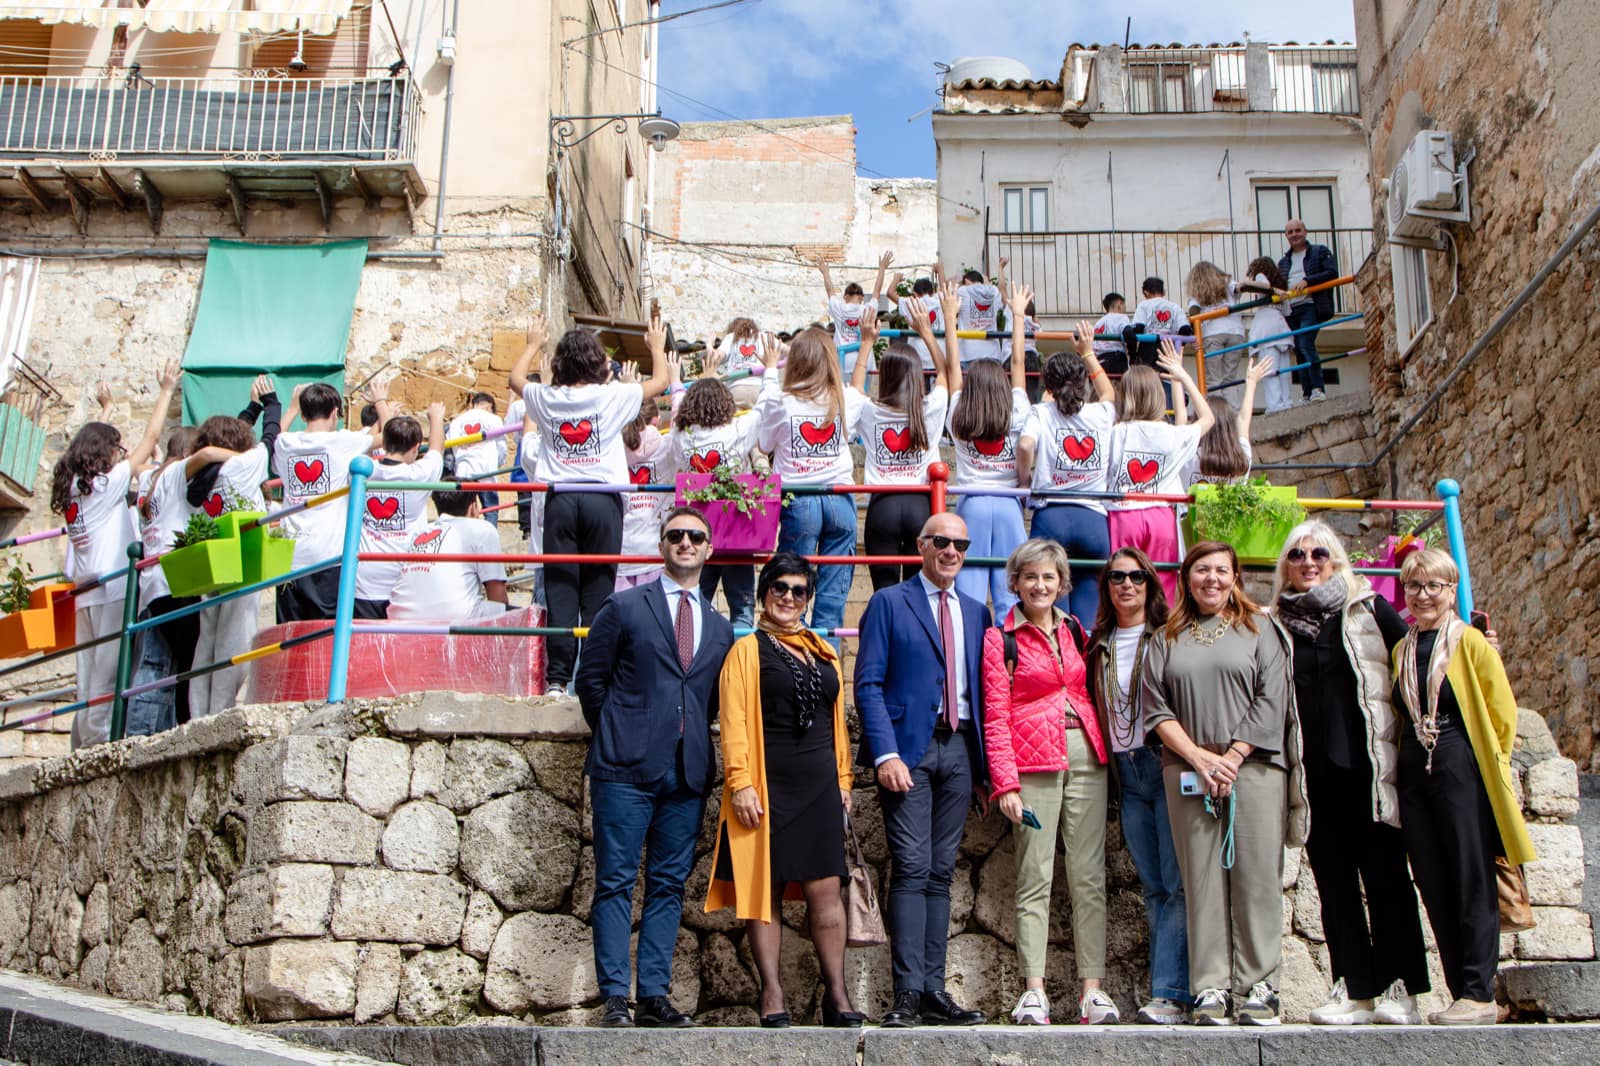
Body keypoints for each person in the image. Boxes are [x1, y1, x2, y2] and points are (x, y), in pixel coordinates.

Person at [575, 507, 734, 1029]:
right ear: (662, 545)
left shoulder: (719, 627)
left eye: (696, 537)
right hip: (624, 769)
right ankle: (616, 996)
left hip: (687, 773)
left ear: (709, 550)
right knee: (616, 880)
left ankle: (654, 997)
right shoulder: (623, 607)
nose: (686, 543)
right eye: (676, 535)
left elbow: (709, 701)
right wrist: (622, 733)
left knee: (668, 885)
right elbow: (592, 683)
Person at [1270, 520, 1430, 1026]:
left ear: (1336, 559)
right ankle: (1353, 989)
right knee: (1333, 882)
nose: (1308, 561)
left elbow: (1416, 661)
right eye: (1297, 554)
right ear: (1285, 566)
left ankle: (1400, 987)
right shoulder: (1275, 624)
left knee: (1386, 877)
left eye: (1319, 552)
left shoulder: (1368, 610)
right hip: (1313, 773)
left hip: (1369, 767)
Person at [1140, 541, 1307, 1026]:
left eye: (1220, 570)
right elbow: (1156, 708)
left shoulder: (1261, 629)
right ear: (1186, 578)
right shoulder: (1166, 638)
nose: (1211, 579)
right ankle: (1210, 988)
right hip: (1187, 769)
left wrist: (1231, 757)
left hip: (1253, 767)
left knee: (1256, 877)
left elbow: (1270, 698)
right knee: (1201, 879)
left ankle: (1260, 986)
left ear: (1235, 576)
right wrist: (1198, 757)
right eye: (1201, 570)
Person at [706, 553, 863, 1029]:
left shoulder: (823, 649)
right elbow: (732, 721)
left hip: (818, 783)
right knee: (764, 892)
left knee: (826, 890)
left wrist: (843, 779)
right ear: (763, 594)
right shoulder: (746, 650)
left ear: (809, 599)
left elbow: (837, 723)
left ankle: (836, 995)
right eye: (780, 588)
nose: (789, 598)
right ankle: (771, 992)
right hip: (766, 783)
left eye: (799, 591)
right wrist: (740, 784)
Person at [854, 512, 992, 1029]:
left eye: (960, 543)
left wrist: (985, 770)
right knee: (911, 866)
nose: (951, 550)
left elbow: (986, 695)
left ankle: (935, 988)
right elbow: (866, 683)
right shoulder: (890, 602)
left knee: (940, 871)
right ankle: (907, 991)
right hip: (908, 748)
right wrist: (885, 753)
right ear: (921, 545)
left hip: (958, 750)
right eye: (942, 541)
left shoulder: (978, 613)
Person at [1391, 548, 1535, 1025]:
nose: (1424, 595)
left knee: (1472, 878)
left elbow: (1501, 712)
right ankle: (1462, 993)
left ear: (1451, 591)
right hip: (1415, 774)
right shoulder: (1402, 649)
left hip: (1459, 769)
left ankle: (1478, 988)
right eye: (1414, 586)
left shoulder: (1470, 642)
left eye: (1435, 586)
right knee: (1433, 880)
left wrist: (1490, 764)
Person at [981, 539, 1116, 1026]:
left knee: (1088, 877)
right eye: (1031, 576)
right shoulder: (1002, 638)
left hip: (1086, 756)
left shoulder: (1076, 630)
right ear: (1015, 582)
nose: (1041, 585)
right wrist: (1006, 784)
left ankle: (1092, 991)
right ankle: (1033, 990)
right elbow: (995, 716)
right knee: (1035, 876)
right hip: (1032, 762)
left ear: (1063, 584)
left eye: (1050, 577)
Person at [511, 308, 672, 695]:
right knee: (599, 590)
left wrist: (533, 344)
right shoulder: (612, 396)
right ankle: (596, 676)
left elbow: (515, 379)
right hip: (603, 499)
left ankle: (557, 679)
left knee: (561, 588)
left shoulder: (546, 397)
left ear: (561, 364)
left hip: (560, 500)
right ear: (600, 364)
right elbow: (662, 382)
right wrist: (655, 346)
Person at [1084, 547, 1189, 1025]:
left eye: (1137, 577)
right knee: (1152, 885)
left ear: (1151, 584)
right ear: (1106, 587)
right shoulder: (1098, 643)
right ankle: (1167, 990)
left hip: (1161, 761)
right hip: (1124, 772)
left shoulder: (1168, 636)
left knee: (1176, 882)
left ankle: (1170, 992)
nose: (1127, 585)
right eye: (1116, 577)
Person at [52, 360, 180, 748]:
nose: (121, 453)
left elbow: (83, 444)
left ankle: (83, 742)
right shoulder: (107, 484)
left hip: (85, 589)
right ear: (104, 453)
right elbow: (150, 437)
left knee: (87, 674)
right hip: (110, 588)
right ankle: (98, 745)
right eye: (116, 447)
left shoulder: (74, 483)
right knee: (108, 673)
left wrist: (104, 412)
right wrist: (166, 391)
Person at [754, 327, 865, 642]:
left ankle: (790, 664)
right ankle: (825, 670)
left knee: (789, 591)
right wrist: (867, 343)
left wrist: (771, 370)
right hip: (841, 501)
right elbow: (857, 390)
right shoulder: (845, 399)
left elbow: (763, 442)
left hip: (799, 499)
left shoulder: (783, 402)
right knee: (832, 599)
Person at [182, 404, 281, 718]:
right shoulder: (243, 466)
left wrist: (250, 409)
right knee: (235, 641)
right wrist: (273, 404)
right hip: (244, 560)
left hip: (212, 563)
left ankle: (200, 712)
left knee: (207, 640)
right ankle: (220, 711)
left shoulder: (193, 480)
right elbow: (271, 435)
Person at [852, 290, 953, 591]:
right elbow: (946, 374)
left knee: (883, 591)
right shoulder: (930, 409)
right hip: (921, 505)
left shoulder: (870, 411)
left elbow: (855, 389)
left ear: (884, 375)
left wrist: (867, 341)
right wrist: (926, 333)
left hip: (882, 505)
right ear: (917, 377)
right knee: (917, 591)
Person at [1017, 322, 1116, 626]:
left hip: (1052, 515)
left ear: (1048, 385)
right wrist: (1088, 352)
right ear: (1084, 380)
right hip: (1093, 520)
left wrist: (1025, 480)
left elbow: (1024, 444)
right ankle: (1088, 670)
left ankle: (1057, 668)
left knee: (1049, 611)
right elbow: (1109, 393)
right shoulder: (1101, 413)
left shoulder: (1041, 412)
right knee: (1089, 608)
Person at [1104, 339, 1214, 599]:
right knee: (1163, 584)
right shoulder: (1171, 434)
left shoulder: (1115, 432)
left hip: (1123, 512)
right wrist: (1182, 374)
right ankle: (1161, 633)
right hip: (1161, 515)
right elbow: (1208, 418)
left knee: (1122, 583)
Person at [947, 283, 1031, 621]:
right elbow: (1021, 362)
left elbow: (954, 369)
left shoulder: (958, 413)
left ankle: (970, 665)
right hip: (1009, 503)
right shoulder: (1018, 410)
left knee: (968, 595)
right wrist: (1018, 315)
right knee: (1012, 594)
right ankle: (1009, 664)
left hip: (972, 501)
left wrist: (951, 320)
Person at [275, 380, 386, 622]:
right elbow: (390, 438)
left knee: (290, 635)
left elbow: (271, 439)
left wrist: (291, 409)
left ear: (303, 415)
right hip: (328, 555)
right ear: (335, 411)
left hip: (290, 558)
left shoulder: (285, 443)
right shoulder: (342, 441)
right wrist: (380, 402)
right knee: (325, 634)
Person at [667, 374, 764, 628]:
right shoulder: (737, 430)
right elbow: (766, 406)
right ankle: (738, 664)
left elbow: (677, 409)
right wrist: (770, 370)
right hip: (735, 531)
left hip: (698, 531)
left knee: (696, 601)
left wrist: (675, 381)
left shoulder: (682, 436)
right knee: (742, 605)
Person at [126, 425, 201, 737]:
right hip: (178, 580)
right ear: (186, 454)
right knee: (188, 665)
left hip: (152, 585)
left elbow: (140, 465)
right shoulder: (176, 473)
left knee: (156, 664)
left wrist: (158, 458)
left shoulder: (148, 478)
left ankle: (143, 731)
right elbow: (205, 457)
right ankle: (184, 728)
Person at [355, 405, 446, 619]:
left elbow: (358, 447)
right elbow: (436, 449)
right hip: (406, 579)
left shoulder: (364, 471)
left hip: (365, 580)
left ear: (383, 443)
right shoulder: (419, 474)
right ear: (416, 448)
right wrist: (436, 418)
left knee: (364, 646)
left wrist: (381, 404)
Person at [385, 486, 509, 622]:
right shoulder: (482, 528)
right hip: (454, 617)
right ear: (473, 506)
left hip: (400, 614)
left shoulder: (420, 532)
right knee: (511, 613)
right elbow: (498, 595)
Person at [1183, 360, 1271, 490]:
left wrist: (1180, 378)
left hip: (1190, 511)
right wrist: (1251, 384)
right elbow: (1243, 419)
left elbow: (1181, 419)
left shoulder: (1190, 455)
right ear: (1230, 426)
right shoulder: (1241, 458)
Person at [1278, 220, 1339, 402]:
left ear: (1305, 232)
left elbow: (1332, 273)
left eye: (1298, 230)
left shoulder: (1320, 252)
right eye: (1290, 232)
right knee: (1299, 349)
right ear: (1286, 236)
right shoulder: (1283, 262)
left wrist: (1307, 281)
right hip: (1291, 310)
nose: (1294, 234)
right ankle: (1307, 393)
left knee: (1305, 343)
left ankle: (1318, 388)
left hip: (1311, 305)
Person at [815, 251, 893, 375]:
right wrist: (882, 269)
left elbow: (829, 290)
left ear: (846, 296)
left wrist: (825, 273)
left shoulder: (838, 308)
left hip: (843, 358)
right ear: (862, 297)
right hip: (864, 358)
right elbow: (877, 291)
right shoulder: (868, 309)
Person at [1185, 262, 1246, 407]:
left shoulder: (1196, 292)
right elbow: (1240, 288)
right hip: (1236, 332)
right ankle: (1234, 415)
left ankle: (1217, 415)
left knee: (1214, 379)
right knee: (1230, 378)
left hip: (1211, 333)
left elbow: (1194, 312)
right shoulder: (1227, 283)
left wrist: (1193, 335)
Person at [1239, 258, 1295, 413]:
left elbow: (1263, 286)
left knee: (1269, 369)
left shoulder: (1260, 277)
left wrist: (1245, 284)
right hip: (1281, 326)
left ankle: (1275, 406)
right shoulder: (1282, 285)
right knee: (1284, 370)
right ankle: (1287, 402)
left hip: (1265, 326)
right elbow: (1287, 311)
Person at [446, 392, 506, 522]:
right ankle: (490, 540)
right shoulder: (494, 419)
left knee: (465, 510)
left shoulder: (457, 421)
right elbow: (501, 445)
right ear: (489, 405)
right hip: (487, 470)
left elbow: (452, 445)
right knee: (490, 510)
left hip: (464, 470)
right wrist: (498, 463)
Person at [1121, 277, 1185, 369]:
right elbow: (1184, 329)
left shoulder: (1144, 305)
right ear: (1163, 292)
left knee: (1146, 379)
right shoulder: (1175, 307)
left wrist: (1133, 354)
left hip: (1148, 347)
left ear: (1145, 293)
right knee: (1168, 378)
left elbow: (1138, 328)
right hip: (1169, 347)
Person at [954, 260, 1005, 366]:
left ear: (967, 281)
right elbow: (1002, 293)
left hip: (968, 353)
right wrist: (986, 283)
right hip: (992, 354)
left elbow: (946, 296)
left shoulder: (962, 292)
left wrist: (959, 282)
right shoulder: (994, 292)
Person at [1093, 292, 1131, 376]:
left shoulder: (1098, 323)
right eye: (1124, 306)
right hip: (1116, 360)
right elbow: (1128, 332)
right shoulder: (1121, 317)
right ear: (1119, 304)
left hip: (1099, 361)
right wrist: (1133, 354)